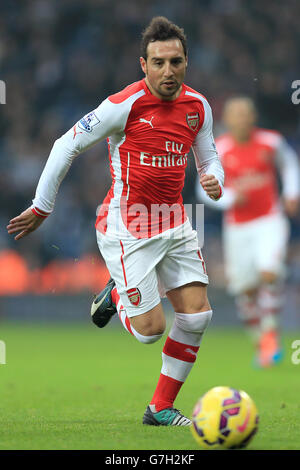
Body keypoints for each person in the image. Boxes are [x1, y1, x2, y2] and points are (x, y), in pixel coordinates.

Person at [7, 17, 224, 426]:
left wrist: (216, 180)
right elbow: (64, 145)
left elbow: (209, 157)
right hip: (128, 227)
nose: (168, 71)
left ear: (186, 63)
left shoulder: (198, 106)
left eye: (176, 61)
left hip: (175, 222)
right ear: (143, 64)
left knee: (197, 316)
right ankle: (116, 298)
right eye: (158, 62)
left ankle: (159, 408)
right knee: (149, 331)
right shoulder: (123, 104)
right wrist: (42, 206)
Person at [197, 96, 300, 368]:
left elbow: (289, 165)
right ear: (227, 120)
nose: (242, 119)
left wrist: (291, 192)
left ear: (253, 117)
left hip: (270, 219)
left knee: (269, 271)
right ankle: (261, 343)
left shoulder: (271, 141)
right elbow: (202, 189)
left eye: (246, 114)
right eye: (236, 114)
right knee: (245, 292)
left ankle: (270, 334)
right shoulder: (219, 149)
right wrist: (228, 197)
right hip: (238, 227)